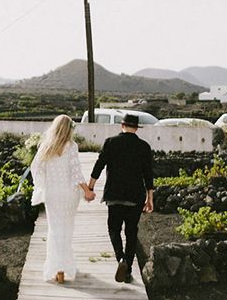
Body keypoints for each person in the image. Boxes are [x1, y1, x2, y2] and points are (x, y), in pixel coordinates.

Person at [87, 113, 154, 283]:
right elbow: (149, 175)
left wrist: (90, 187)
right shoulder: (144, 146)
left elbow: (99, 165)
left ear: (121, 126)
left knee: (113, 229)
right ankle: (128, 270)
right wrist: (150, 198)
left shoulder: (111, 142)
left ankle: (120, 259)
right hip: (135, 197)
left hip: (114, 195)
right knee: (131, 233)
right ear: (136, 128)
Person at [31, 114, 96, 283]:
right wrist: (87, 191)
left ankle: (57, 269)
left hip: (52, 195)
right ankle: (64, 267)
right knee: (66, 230)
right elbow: (76, 173)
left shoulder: (45, 146)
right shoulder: (72, 146)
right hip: (68, 195)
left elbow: (36, 169)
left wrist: (43, 186)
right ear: (69, 129)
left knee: (54, 229)